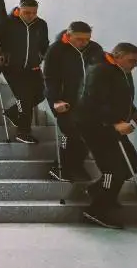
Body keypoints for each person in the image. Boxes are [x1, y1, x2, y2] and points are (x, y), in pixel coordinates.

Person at [76, 42, 137, 229]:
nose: (135, 65)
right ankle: (95, 211)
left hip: (113, 127)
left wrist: (136, 116)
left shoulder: (122, 72)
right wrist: (114, 123)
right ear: (118, 56)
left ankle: (98, 190)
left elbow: (125, 99)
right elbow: (92, 102)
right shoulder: (99, 71)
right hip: (96, 128)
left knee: (133, 164)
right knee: (113, 171)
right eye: (132, 60)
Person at [43, 21, 105, 182]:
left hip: (88, 102)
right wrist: (55, 100)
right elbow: (50, 78)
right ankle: (60, 167)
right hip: (64, 101)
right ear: (69, 36)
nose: (84, 43)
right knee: (70, 133)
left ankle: (76, 165)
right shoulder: (56, 50)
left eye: (87, 39)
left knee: (86, 135)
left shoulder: (95, 49)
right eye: (79, 39)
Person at [0, 0, 50, 144]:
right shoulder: (6, 22)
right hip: (12, 67)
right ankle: (23, 132)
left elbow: (44, 45)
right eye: (27, 12)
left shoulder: (41, 24)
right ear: (19, 9)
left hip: (33, 67)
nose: (31, 16)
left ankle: (13, 113)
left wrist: (44, 57)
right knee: (24, 98)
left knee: (42, 94)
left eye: (34, 13)